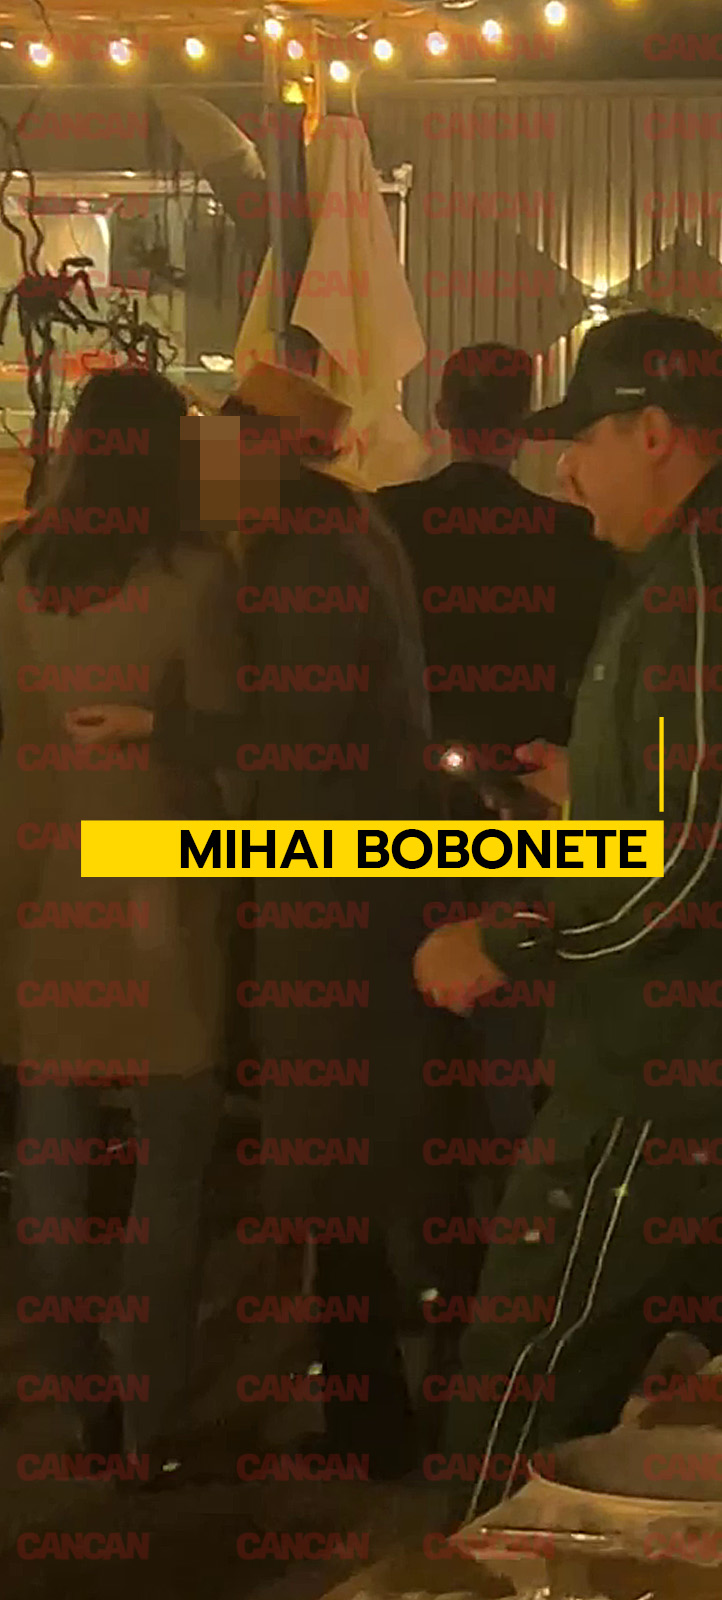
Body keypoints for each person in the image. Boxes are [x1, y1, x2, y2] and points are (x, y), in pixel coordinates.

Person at [412, 310, 722, 1520]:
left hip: (672, 1077)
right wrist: (603, 782)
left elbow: (695, 854)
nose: (567, 474)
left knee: (527, 1378)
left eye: (582, 442)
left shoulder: (712, 579)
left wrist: (507, 939)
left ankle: (476, 1579)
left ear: (657, 431)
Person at [65, 363, 483, 1477]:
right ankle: (385, 1408)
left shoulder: (309, 560)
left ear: (270, 449)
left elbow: (294, 740)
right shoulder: (347, 534)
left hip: (333, 890)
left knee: (337, 1165)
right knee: (363, 1161)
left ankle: (372, 1426)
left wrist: (160, 729)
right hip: (364, 875)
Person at [0, 367, 241, 1482]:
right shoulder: (200, 575)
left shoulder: (18, 574)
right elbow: (233, 731)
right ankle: (145, 1412)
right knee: (168, 1171)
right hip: (162, 891)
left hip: (44, 889)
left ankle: (73, 1386)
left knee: (51, 1160)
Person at [376, 341, 615, 757]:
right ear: (523, 421)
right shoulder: (572, 532)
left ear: (442, 416)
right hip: (536, 764)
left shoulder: (385, 519)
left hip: (410, 758)